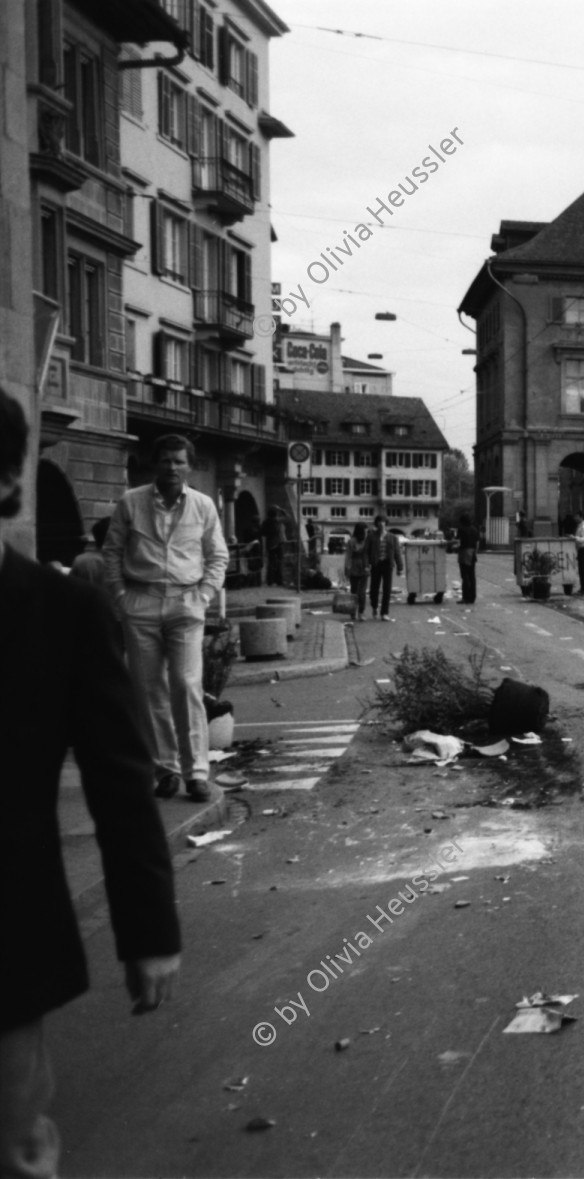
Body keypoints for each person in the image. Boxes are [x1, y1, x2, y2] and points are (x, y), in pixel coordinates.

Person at [0, 392, 183, 1179]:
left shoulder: (56, 610)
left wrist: (146, 928)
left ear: (8, 484)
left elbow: (117, 773)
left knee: (12, 1139)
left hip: (3, 944)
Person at [102, 434, 227, 802]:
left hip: (186, 603)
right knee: (148, 689)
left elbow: (218, 556)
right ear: (154, 464)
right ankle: (166, 769)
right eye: (165, 461)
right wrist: (122, 597)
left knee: (186, 684)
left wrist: (204, 597)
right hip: (140, 601)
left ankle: (197, 774)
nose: (172, 468)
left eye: (179, 461)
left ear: (190, 466)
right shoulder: (131, 502)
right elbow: (111, 552)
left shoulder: (203, 505)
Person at [369, 514, 404, 620]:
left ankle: (384, 613)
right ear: (376, 524)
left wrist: (400, 567)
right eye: (379, 521)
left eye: (383, 521)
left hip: (387, 565)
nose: (381, 523)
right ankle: (374, 606)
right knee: (374, 589)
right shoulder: (371, 536)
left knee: (387, 589)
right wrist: (367, 564)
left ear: (386, 523)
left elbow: (397, 553)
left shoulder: (392, 537)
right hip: (376, 564)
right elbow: (367, 551)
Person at [344, 523, 370, 619]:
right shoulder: (357, 541)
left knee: (355, 591)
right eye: (365, 531)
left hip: (357, 567)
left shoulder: (352, 541)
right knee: (360, 592)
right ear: (361, 531)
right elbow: (348, 557)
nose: (367, 533)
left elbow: (348, 557)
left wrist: (347, 570)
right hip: (362, 567)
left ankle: (354, 612)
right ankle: (360, 613)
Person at [456, 514, 479, 603]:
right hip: (473, 553)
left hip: (464, 553)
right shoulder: (474, 529)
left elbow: (458, 542)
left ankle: (466, 597)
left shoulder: (461, 529)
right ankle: (472, 597)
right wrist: (475, 553)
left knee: (465, 576)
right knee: (472, 576)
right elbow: (477, 543)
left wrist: (455, 547)